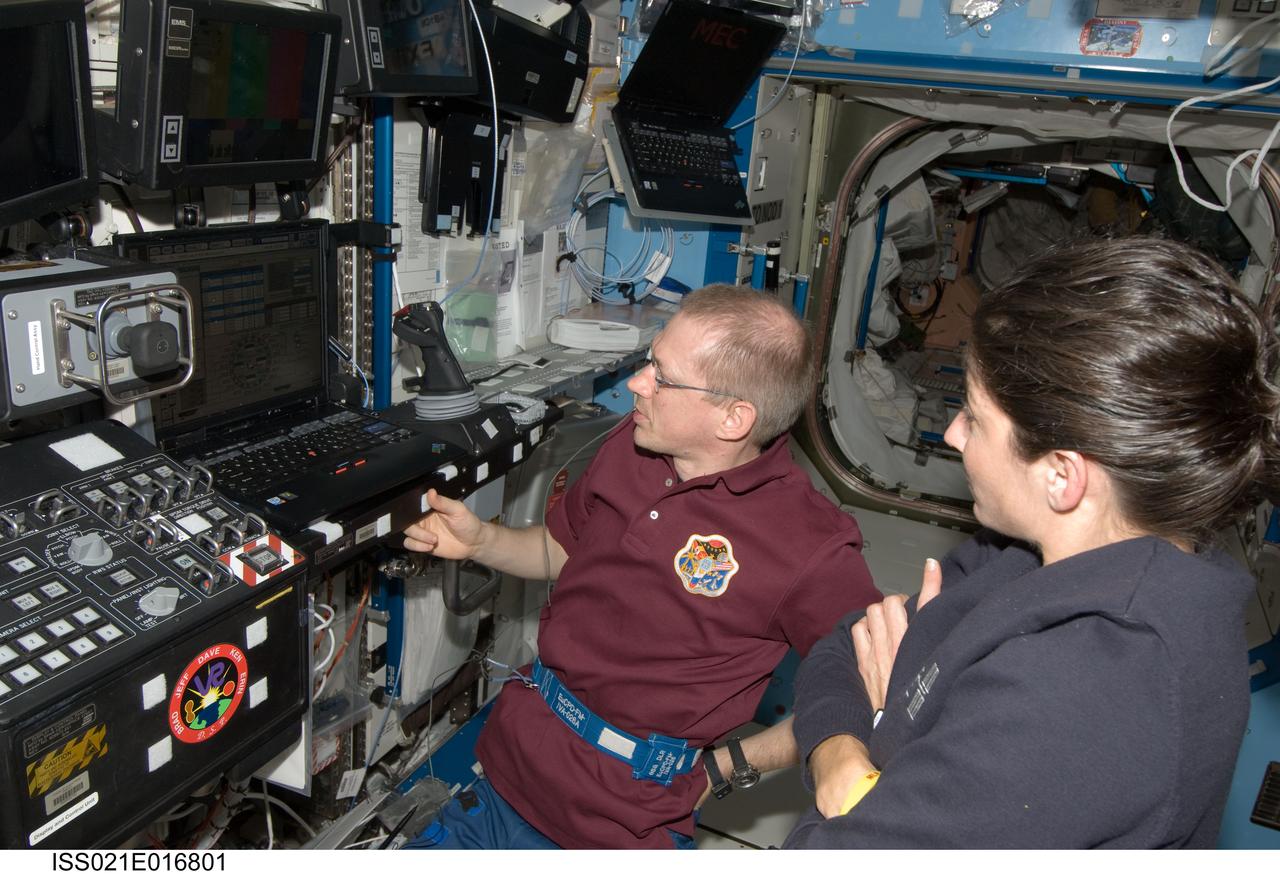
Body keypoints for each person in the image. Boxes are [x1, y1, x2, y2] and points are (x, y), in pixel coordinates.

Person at [785, 237, 1278, 848]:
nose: (953, 433)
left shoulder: (1092, 699)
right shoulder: (1028, 553)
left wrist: (883, 729)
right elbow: (845, 649)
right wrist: (845, 764)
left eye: (975, 416)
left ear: (1062, 475)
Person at [402, 284, 881, 848]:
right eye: (647, 361)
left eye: (662, 375)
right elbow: (561, 553)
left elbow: (870, 688)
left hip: (623, 825)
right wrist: (480, 540)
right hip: (509, 771)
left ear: (733, 418)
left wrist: (729, 765)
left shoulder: (810, 545)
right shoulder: (630, 446)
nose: (637, 384)